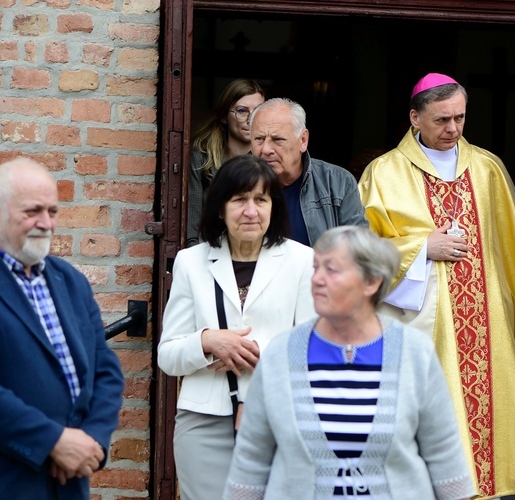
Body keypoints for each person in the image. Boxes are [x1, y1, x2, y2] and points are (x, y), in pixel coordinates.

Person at [358, 73, 515, 499]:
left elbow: (514, 248)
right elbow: (360, 252)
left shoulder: (487, 169)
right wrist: (419, 247)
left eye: (460, 118)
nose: (453, 129)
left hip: (489, 329)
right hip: (422, 327)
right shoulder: (384, 173)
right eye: (441, 120)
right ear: (415, 117)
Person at [224, 226, 477, 500]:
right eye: (316, 267)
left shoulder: (415, 354)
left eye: (331, 270)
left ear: (371, 282)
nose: (317, 279)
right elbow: (250, 462)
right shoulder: (280, 354)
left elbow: (444, 456)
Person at [158, 155, 317, 499]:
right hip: (204, 421)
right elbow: (168, 355)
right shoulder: (192, 261)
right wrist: (208, 341)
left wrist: (260, 366)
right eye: (239, 200)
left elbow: (313, 351)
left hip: (276, 419)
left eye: (261, 200)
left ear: (274, 206)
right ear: (220, 208)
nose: (250, 211)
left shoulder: (302, 260)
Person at [0, 158, 125, 499]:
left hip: (69, 482)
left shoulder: (69, 280)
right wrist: (52, 441)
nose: (45, 223)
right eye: (32, 211)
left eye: (52, 211)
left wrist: (92, 439)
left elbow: (106, 370)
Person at [249, 97, 369, 246]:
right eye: (259, 139)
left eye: (277, 139)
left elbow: (358, 250)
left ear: (303, 140)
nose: (266, 149)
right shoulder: (233, 183)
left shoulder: (338, 182)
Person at [187, 78, 265, 246]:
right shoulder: (202, 159)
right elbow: (191, 227)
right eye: (242, 111)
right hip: (209, 252)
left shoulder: (268, 160)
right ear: (223, 116)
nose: (250, 119)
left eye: (258, 111)